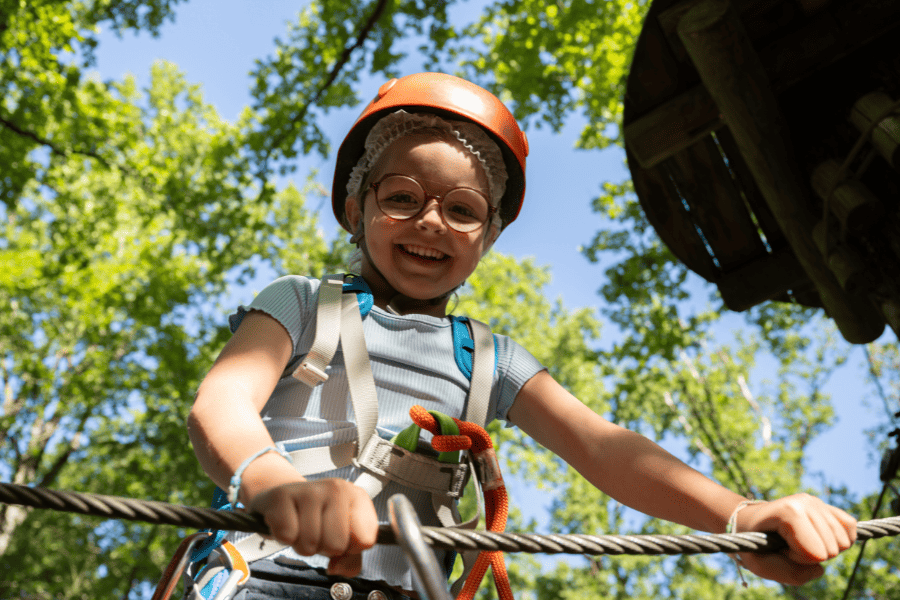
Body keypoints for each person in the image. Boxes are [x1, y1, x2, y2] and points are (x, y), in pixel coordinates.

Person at [187, 72, 857, 599]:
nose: (431, 222)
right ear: (355, 209)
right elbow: (221, 405)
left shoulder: (489, 359)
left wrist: (739, 518)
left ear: (490, 237)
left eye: (461, 210)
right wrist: (275, 483)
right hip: (271, 576)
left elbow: (606, 449)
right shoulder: (302, 302)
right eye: (401, 198)